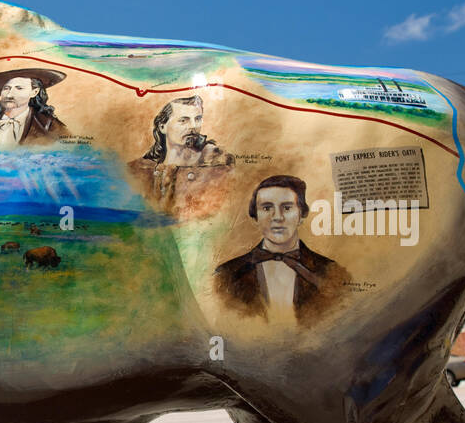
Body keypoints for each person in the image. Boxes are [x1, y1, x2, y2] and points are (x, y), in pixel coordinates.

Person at [213, 175, 349, 324]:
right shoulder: (226, 275)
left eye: (287, 208)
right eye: (266, 208)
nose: (277, 217)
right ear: (255, 218)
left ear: (302, 216)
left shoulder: (332, 273)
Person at [128, 95, 232, 216]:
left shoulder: (218, 168)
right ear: (163, 127)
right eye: (183, 120)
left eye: (197, 119)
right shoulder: (138, 170)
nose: (193, 126)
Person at [0, 68, 67, 147]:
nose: (9, 94)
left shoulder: (50, 127)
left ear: (34, 92)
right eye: (6, 88)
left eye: (19, 88)